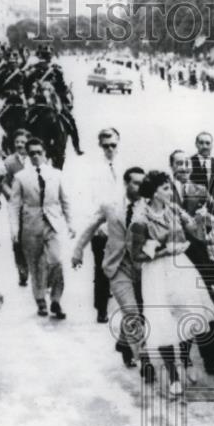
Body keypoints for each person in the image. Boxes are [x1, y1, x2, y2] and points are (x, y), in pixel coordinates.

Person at [131, 171, 214, 396]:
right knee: (164, 322)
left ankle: (185, 361)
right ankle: (173, 375)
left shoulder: (173, 209)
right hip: (156, 273)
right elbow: (136, 256)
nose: (170, 192)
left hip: (180, 267)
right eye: (165, 188)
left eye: (170, 188)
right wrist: (164, 251)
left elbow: (195, 232)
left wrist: (201, 219)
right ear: (153, 192)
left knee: (189, 315)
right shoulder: (140, 220)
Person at [72, 167, 146, 369]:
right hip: (117, 266)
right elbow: (91, 227)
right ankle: (141, 358)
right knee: (131, 311)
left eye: (143, 183)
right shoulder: (110, 205)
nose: (140, 187)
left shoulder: (148, 206)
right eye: (136, 183)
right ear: (126, 183)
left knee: (138, 311)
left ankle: (124, 342)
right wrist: (77, 251)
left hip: (142, 268)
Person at [9, 137, 74, 319]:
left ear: (45, 153)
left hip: (53, 223)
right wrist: (14, 229)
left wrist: (70, 223)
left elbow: (65, 200)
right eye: (32, 154)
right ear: (28, 156)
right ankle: (41, 302)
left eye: (39, 152)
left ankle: (56, 300)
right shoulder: (20, 177)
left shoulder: (56, 174)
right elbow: (14, 205)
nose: (36, 156)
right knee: (36, 264)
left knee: (56, 260)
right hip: (31, 225)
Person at [87, 127, 124, 323]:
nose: (109, 149)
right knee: (101, 269)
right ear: (100, 146)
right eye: (105, 146)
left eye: (113, 145)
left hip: (122, 225)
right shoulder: (93, 169)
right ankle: (101, 309)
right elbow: (90, 198)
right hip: (102, 226)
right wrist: (97, 225)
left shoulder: (124, 166)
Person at [3, 128, 31, 286]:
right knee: (17, 238)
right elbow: (3, 183)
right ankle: (22, 269)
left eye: (23, 142)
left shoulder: (36, 159)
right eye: (17, 142)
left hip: (34, 206)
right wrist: (12, 197)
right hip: (16, 207)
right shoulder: (9, 162)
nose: (20, 145)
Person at [190, 132, 214, 199]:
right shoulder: (189, 163)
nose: (205, 146)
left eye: (207, 143)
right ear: (196, 144)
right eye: (201, 143)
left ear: (212, 145)